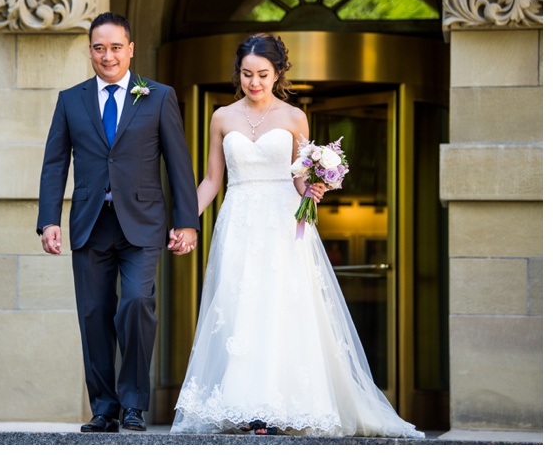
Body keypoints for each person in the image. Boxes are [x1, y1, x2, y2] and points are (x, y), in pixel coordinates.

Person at [169, 34, 424, 438]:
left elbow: (301, 179)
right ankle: (245, 406)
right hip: (237, 222)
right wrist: (186, 220)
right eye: (247, 74)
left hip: (283, 224)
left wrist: (316, 189)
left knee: (280, 311)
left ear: (277, 74)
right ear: (238, 73)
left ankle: (276, 408)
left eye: (263, 75)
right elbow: (212, 179)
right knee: (239, 309)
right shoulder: (221, 117)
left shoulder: (294, 118)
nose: (254, 82)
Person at [37, 12, 199, 433]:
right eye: (98, 47)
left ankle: (133, 403)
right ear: (90, 51)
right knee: (93, 314)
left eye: (114, 47)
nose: (107, 56)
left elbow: (179, 164)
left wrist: (187, 222)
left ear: (130, 49)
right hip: (90, 224)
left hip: (142, 224)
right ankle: (105, 408)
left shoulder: (158, 96)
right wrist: (48, 221)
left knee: (136, 304)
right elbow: (55, 163)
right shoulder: (71, 100)